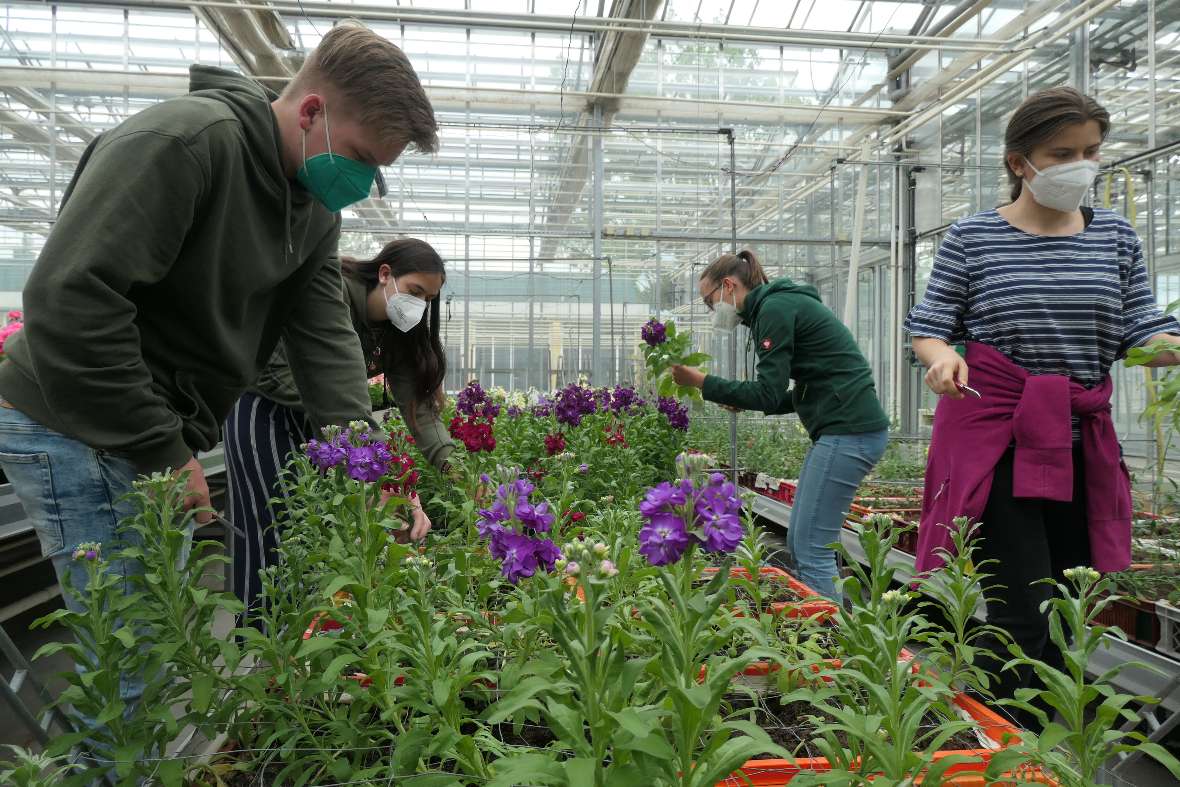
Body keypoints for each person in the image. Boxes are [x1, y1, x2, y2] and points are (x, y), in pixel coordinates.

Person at [0, 22, 437, 725]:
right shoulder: (186, 144)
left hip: (140, 427)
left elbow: (325, 346)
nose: (356, 184)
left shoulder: (312, 210)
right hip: (69, 418)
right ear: (311, 111)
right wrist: (163, 450)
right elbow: (69, 298)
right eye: (357, 158)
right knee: (129, 666)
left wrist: (380, 475)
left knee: (150, 651)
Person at [906, 86, 1180, 725]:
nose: (1080, 166)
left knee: (1070, 598)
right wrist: (942, 357)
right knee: (1021, 604)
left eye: (1090, 152)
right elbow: (929, 324)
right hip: (1001, 434)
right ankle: (1013, 741)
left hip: (1081, 435)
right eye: (1062, 153)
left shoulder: (1114, 235)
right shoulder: (974, 237)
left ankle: (1044, 734)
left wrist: (1168, 348)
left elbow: (1141, 328)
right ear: (1019, 161)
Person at [227, 238, 452, 626]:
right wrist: (388, 472)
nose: (419, 306)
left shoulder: (395, 332)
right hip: (265, 412)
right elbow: (279, 375)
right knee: (270, 529)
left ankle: (306, 639)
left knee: (317, 530)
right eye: (415, 291)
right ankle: (263, 643)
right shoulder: (331, 291)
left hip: (330, 428)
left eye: (428, 299)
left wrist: (455, 468)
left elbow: (419, 410)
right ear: (385, 274)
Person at [671, 250, 890, 599]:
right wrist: (742, 396)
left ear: (728, 286)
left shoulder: (774, 310)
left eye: (710, 301)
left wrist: (701, 382)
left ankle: (830, 640)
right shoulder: (776, 306)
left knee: (810, 546)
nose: (713, 311)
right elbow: (812, 384)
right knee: (806, 541)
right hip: (849, 429)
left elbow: (768, 393)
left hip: (848, 432)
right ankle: (841, 631)